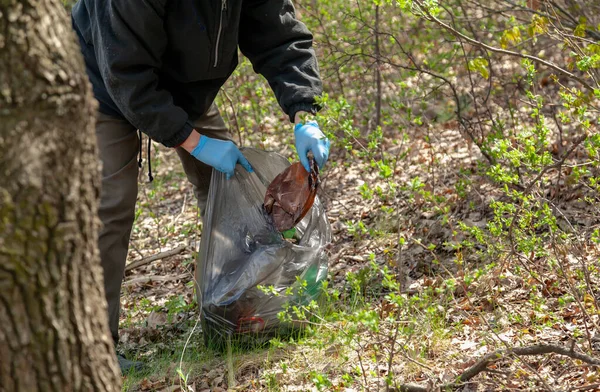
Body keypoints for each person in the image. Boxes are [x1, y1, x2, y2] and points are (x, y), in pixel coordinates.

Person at [71, 0, 330, 372]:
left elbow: (281, 38)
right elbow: (126, 77)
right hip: (104, 85)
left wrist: (305, 113)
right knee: (108, 207)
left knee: (227, 186)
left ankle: (234, 312)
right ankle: (91, 353)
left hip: (184, 91)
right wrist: (195, 142)